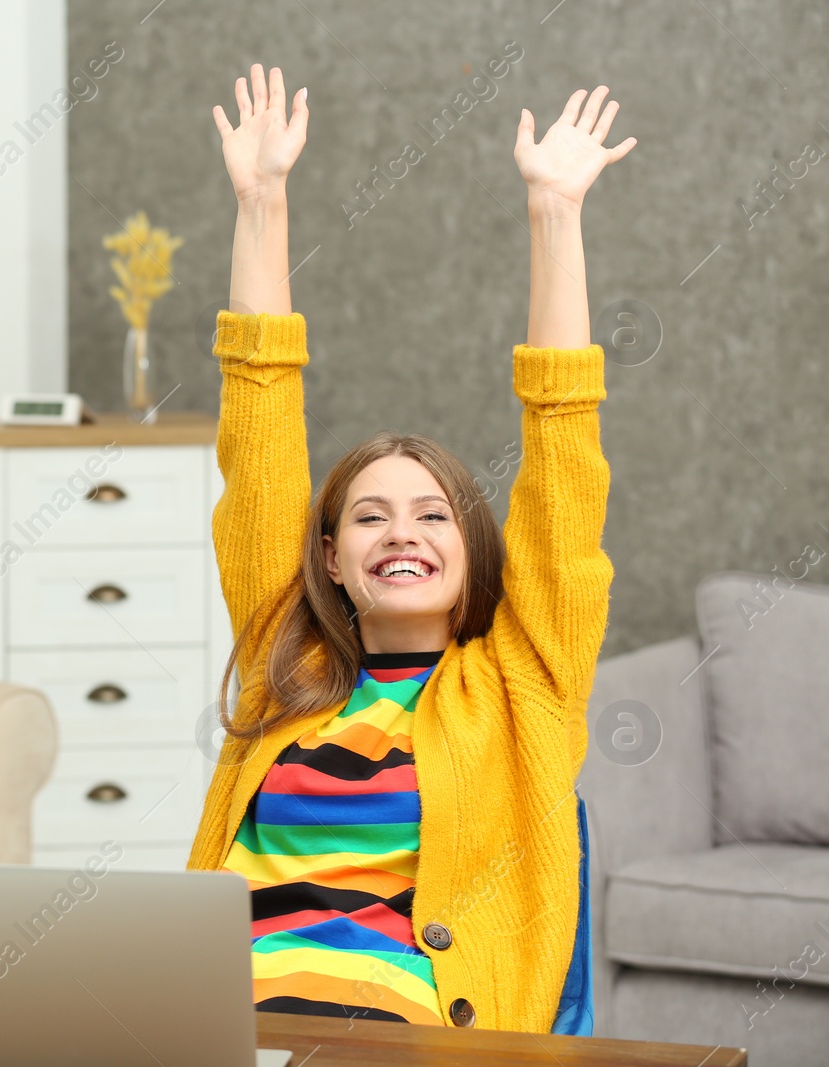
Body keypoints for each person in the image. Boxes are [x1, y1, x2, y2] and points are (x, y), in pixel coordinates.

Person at [191, 65, 635, 1034]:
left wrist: (553, 215)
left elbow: (563, 464)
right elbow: (258, 427)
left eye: (432, 514)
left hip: (399, 1036)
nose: (401, 530)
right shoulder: (286, 664)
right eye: (369, 515)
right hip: (219, 1024)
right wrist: (260, 201)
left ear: (475, 552)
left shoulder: (524, 685)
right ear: (331, 557)